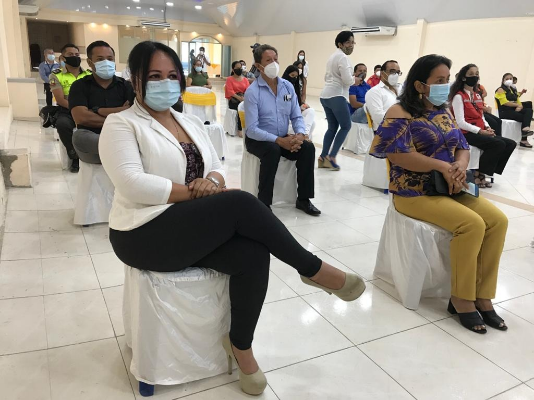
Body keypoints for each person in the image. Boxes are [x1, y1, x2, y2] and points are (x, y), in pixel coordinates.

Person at [99, 40, 366, 397]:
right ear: (135, 80)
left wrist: (211, 182)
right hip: (143, 233)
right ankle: (311, 268)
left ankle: (240, 346)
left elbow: (216, 165)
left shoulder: (187, 121)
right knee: (240, 203)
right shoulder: (121, 124)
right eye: (154, 76)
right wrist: (198, 191)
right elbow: (133, 184)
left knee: (253, 254)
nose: (165, 83)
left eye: (172, 75)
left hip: (190, 226)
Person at [370, 54, 508, 334]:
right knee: (472, 224)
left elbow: (462, 146)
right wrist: (443, 166)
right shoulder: (399, 112)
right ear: (420, 84)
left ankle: (483, 295)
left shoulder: (442, 111)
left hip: (450, 185)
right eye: (439, 80)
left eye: (447, 79)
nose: (445, 85)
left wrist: (459, 166)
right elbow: (397, 155)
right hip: (413, 191)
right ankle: (461, 298)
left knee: (498, 221)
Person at [245, 44, 320, 216]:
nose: (274, 63)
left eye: (276, 59)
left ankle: (304, 199)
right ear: (258, 66)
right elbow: (251, 129)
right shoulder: (253, 92)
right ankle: (264, 203)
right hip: (258, 140)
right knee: (272, 150)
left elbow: (296, 116)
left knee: (308, 148)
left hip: (282, 137)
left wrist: (300, 135)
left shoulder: (287, 87)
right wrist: (279, 141)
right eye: (268, 60)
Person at [449, 64, 516, 188]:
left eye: (476, 74)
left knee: (511, 144)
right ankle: (479, 174)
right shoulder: (458, 96)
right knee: (498, 144)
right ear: (463, 77)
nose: (475, 77)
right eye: (471, 74)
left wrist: (487, 127)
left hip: (479, 130)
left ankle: (487, 171)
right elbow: (460, 122)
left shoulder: (477, 95)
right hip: (465, 133)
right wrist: (480, 131)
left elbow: (481, 116)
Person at [68, 40, 134, 165]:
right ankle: (124, 152)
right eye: (100, 59)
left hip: (122, 134)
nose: (106, 62)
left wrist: (97, 111)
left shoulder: (126, 86)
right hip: (93, 141)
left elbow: (133, 113)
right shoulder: (80, 86)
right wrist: (120, 112)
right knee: (79, 137)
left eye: (110, 59)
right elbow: (81, 117)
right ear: (89, 62)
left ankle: (120, 152)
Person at [49, 43, 92, 173]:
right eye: (70, 54)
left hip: (89, 109)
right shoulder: (56, 75)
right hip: (67, 110)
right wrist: (78, 109)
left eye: (77, 54)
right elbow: (60, 100)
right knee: (62, 125)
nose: (75, 57)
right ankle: (74, 155)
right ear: (63, 58)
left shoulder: (89, 74)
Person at [319, 31, 355, 171]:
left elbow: (326, 77)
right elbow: (347, 80)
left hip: (325, 95)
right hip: (337, 95)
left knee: (332, 127)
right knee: (346, 126)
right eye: (348, 42)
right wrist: (354, 79)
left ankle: (323, 157)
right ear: (340, 44)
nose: (351, 45)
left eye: (353, 42)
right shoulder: (343, 57)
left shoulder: (332, 56)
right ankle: (332, 157)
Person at [495, 73, 534, 148]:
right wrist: (517, 105)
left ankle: (525, 129)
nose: (509, 80)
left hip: (512, 110)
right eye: (507, 79)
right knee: (526, 118)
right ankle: (524, 139)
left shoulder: (512, 89)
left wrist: (520, 105)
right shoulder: (500, 89)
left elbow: (517, 98)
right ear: (503, 80)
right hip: (505, 111)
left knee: (529, 110)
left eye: (511, 79)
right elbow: (504, 102)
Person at [365, 60, 403, 131]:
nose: (396, 75)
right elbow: (378, 117)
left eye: (398, 72)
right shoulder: (374, 92)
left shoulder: (401, 89)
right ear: (382, 73)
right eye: (392, 71)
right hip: (384, 132)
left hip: (402, 130)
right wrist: (402, 116)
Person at [282, 65, 316, 137]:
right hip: (286, 117)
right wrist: (297, 109)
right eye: (292, 75)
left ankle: (305, 134)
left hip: (295, 113)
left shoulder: (295, 87)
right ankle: (304, 135)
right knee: (311, 124)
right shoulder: (282, 87)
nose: (294, 78)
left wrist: (302, 106)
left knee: (311, 113)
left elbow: (297, 102)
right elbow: (286, 105)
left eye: (296, 77)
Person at [225, 60, 250, 137]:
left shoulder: (245, 79)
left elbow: (248, 90)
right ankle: (240, 129)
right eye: (237, 68)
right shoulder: (229, 79)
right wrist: (239, 98)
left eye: (240, 68)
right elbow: (230, 91)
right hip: (234, 100)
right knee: (241, 107)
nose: (239, 69)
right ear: (233, 69)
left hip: (243, 98)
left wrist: (244, 98)